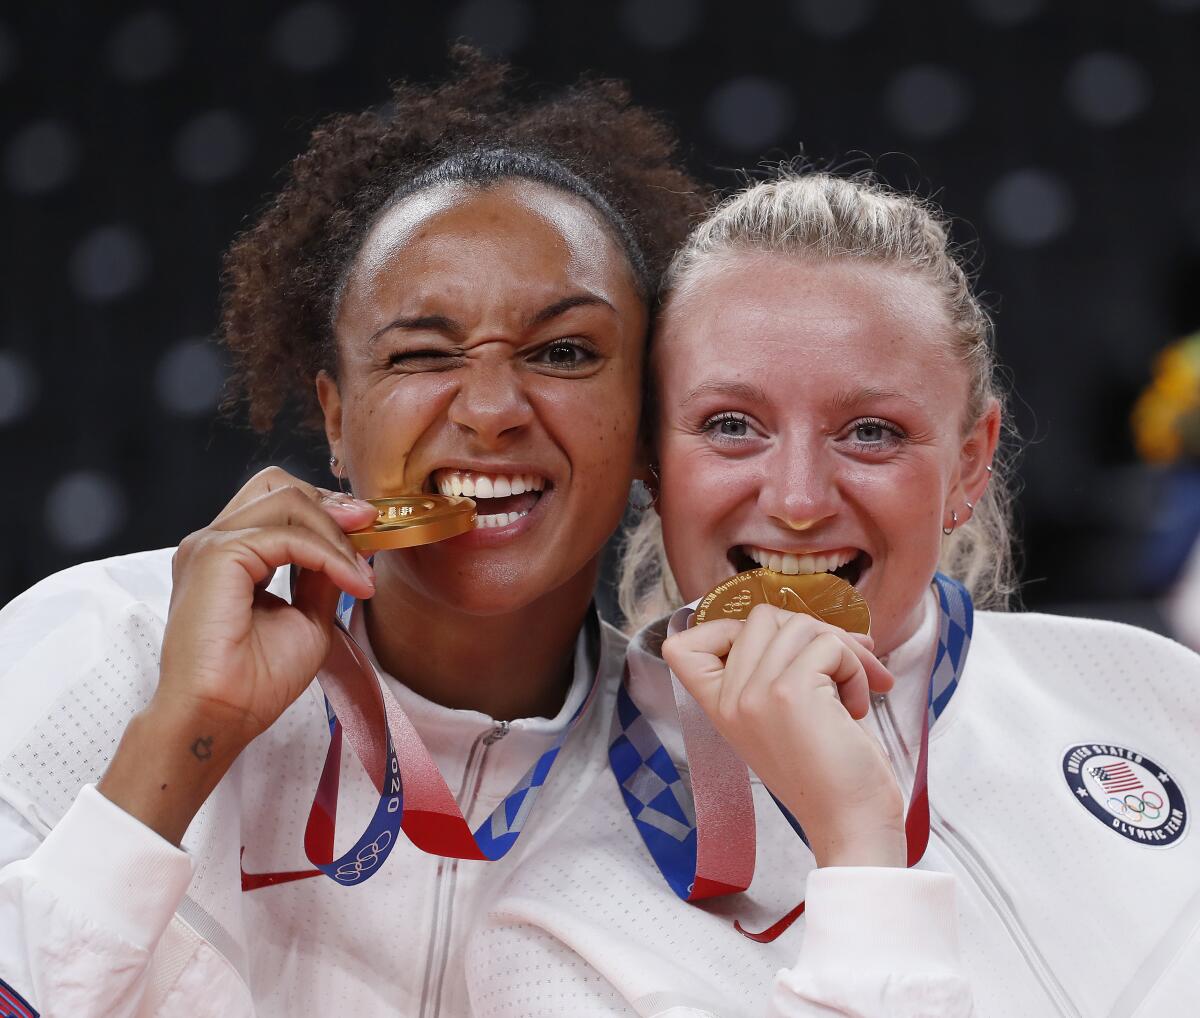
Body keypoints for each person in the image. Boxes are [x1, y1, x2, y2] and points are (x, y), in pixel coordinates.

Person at [0, 50, 706, 1017]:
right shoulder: (93, 645)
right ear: (336, 418)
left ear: (646, 420)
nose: (494, 408)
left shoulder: (707, 778)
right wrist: (185, 734)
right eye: (422, 353)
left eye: (566, 352)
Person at [469, 172, 1200, 1017]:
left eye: (872, 432)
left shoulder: (1156, 693)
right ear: (650, 461)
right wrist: (856, 849)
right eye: (731, 426)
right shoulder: (553, 925)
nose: (800, 500)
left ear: (969, 462)